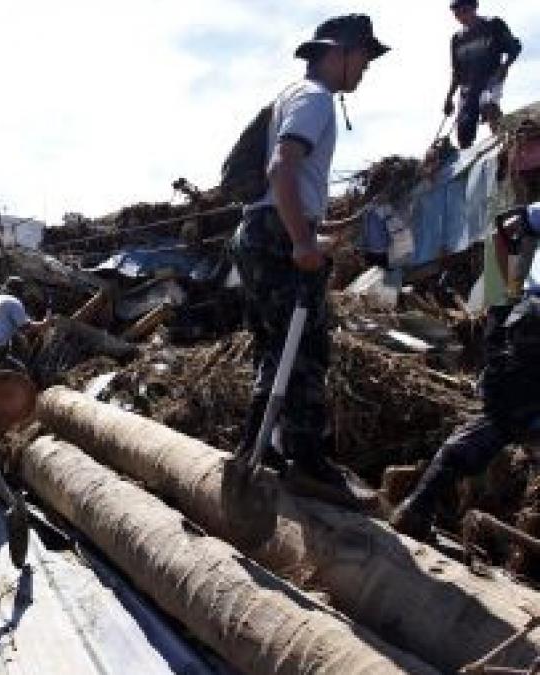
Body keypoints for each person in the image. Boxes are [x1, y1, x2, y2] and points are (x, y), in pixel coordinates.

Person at [230, 15, 388, 497]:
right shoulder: (316, 98)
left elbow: (285, 181)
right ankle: (306, 461)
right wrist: (301, 241)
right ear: (338, 53)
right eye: (364, 59)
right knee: (305, 346)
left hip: (262, 231)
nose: (366, 70)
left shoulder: (296, 96)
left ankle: (256, 448)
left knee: (277, 346)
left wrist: (320, 230)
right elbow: (282, 167)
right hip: (276, 235)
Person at [392, 205, 540, 539]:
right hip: (530, 337)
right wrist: (501, 303)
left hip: (524, 333)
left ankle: (419, 505)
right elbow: (504, 231)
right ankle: (418, 506)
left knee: (506, 422)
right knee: (502, 421)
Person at [444, 0, 523, 149]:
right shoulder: (457, 39)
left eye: (465, 11)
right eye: (457, 13)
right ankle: (468, 156)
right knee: (464, 130)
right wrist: (449, 97)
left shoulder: (493, 24)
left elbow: (515, 47)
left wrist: (505, 66)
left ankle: (507, 148)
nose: (461, 16)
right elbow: (456, 72)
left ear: (475, 7)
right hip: (468, 88)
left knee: (489, 107)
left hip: (490, 80)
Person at [0, 276, 51, 386]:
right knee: (15, 374)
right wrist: (45, 323)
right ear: (19, 292)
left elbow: (7, 324)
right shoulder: (13, 302)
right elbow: (26, 327)